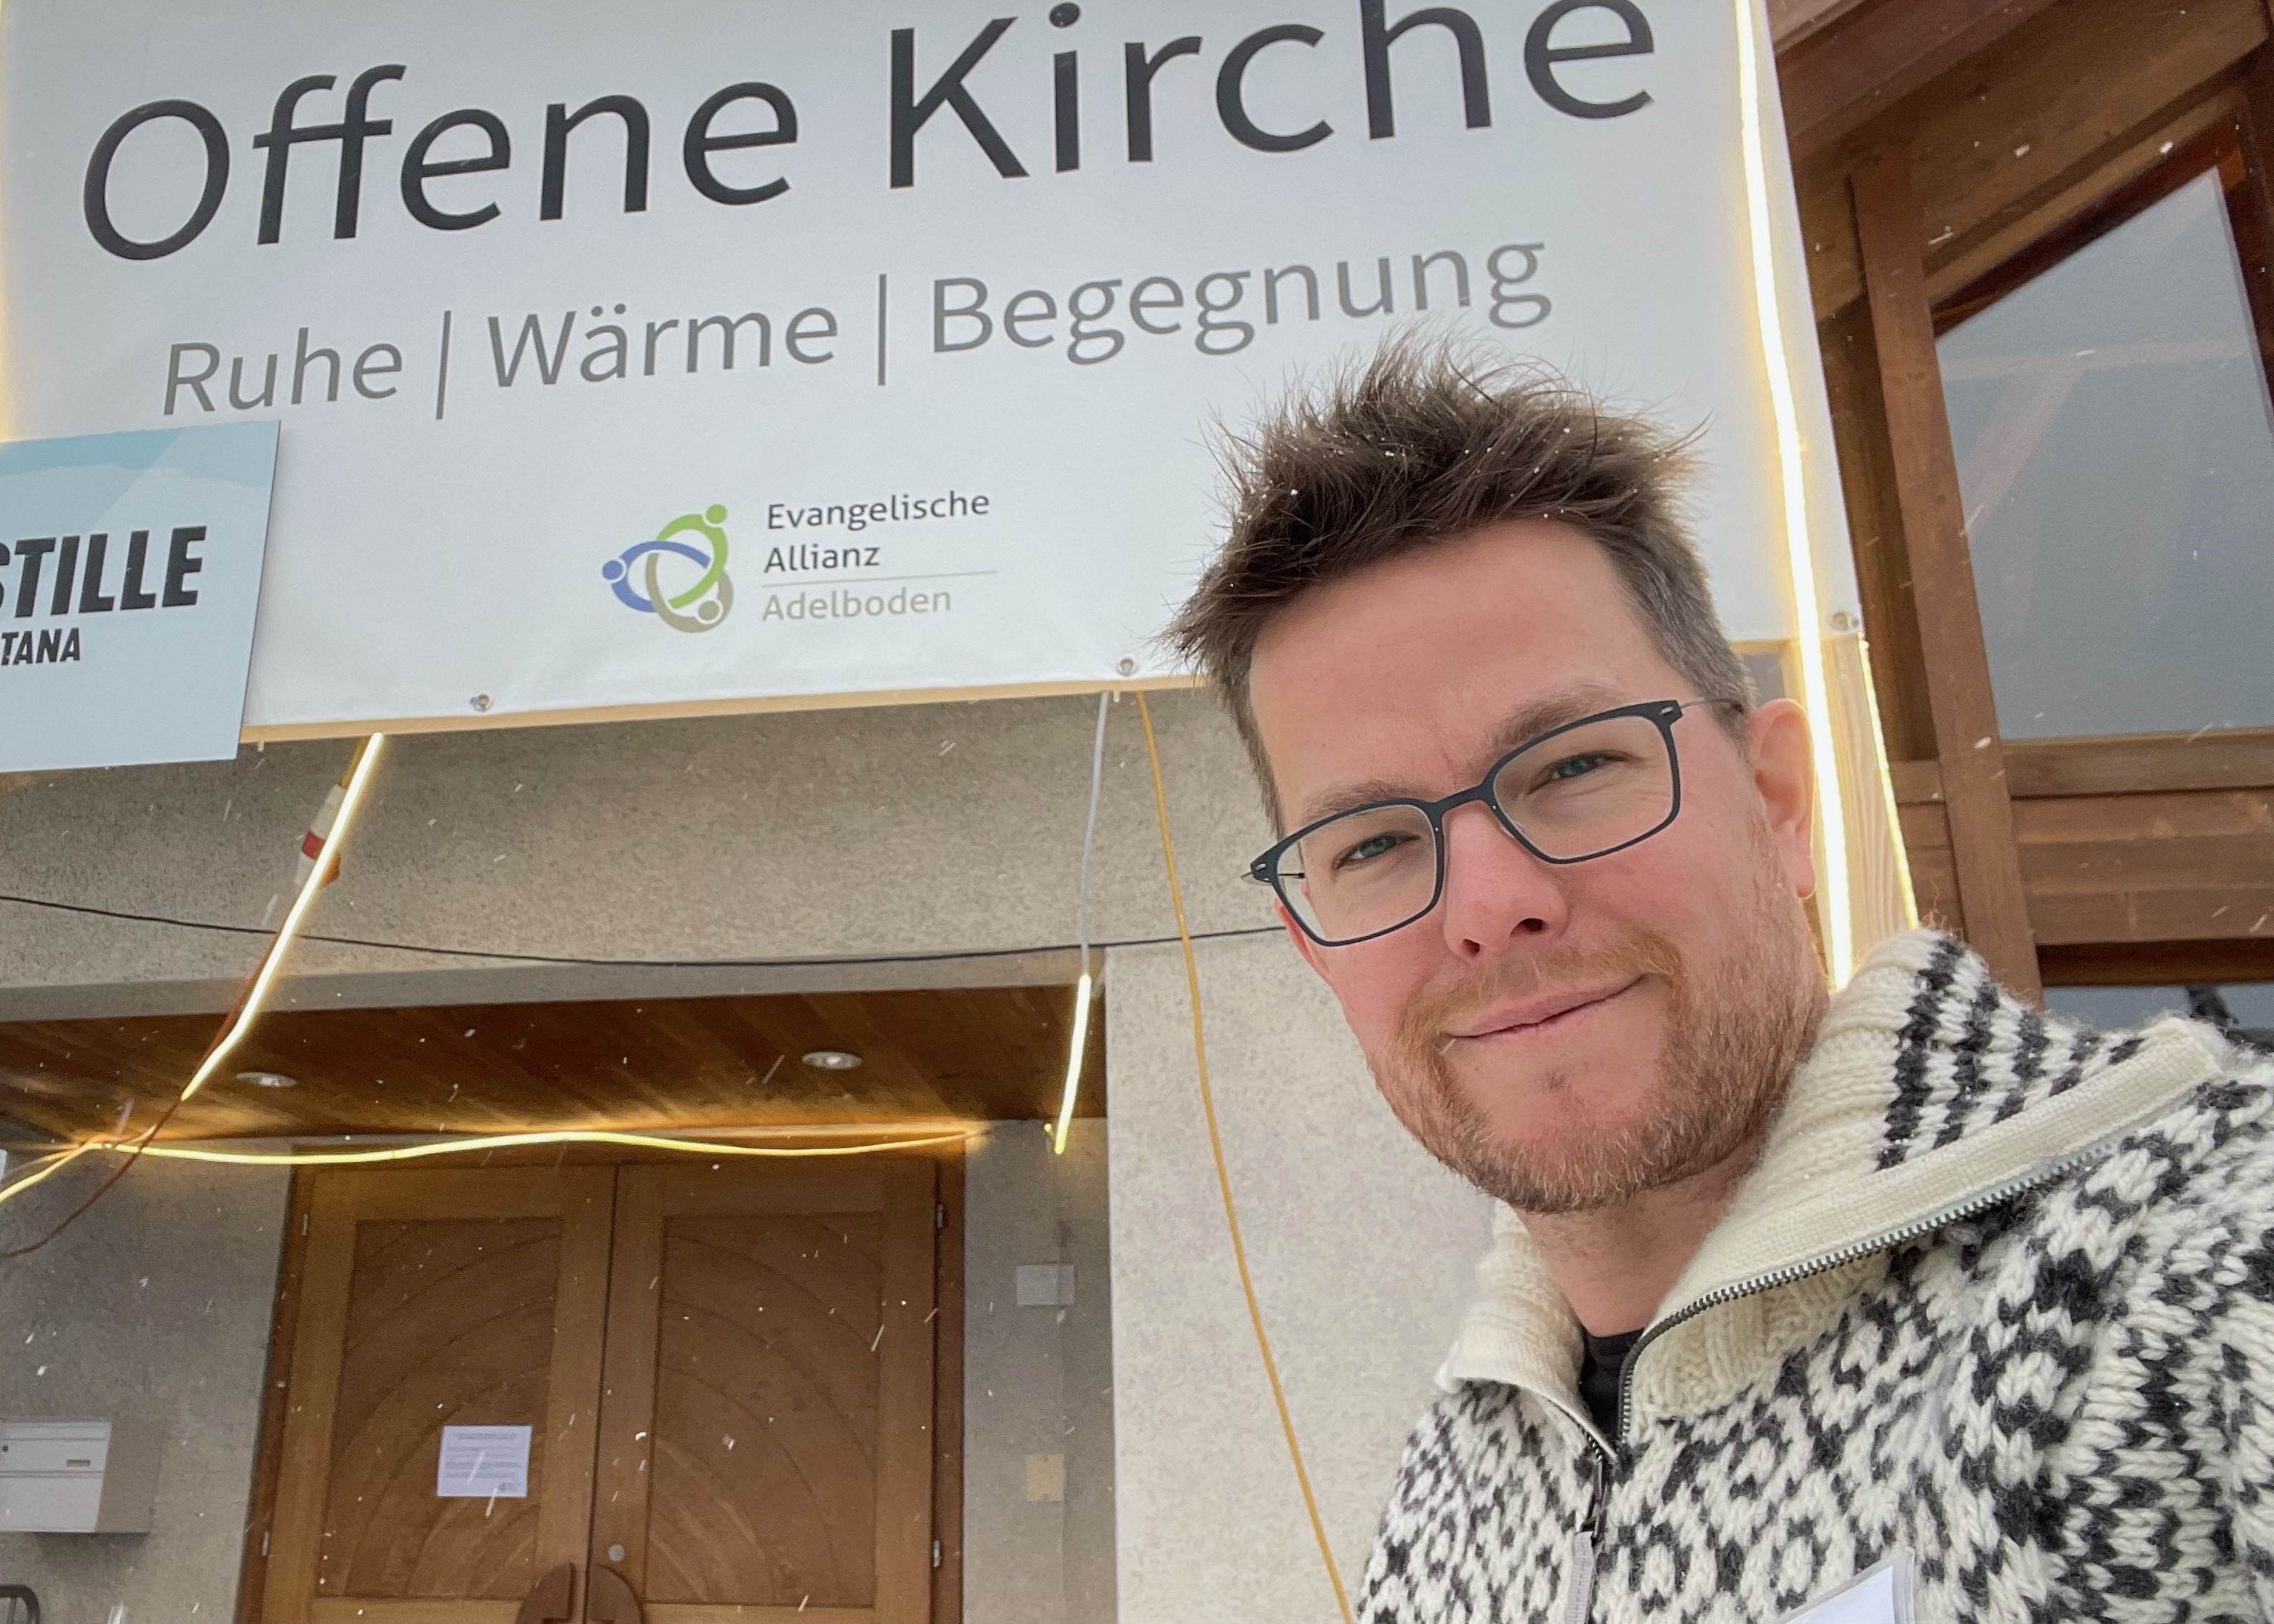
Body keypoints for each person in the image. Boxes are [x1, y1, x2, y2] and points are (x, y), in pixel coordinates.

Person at [1166, 339, 2274, 1623]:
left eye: (1574, 767)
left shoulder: (2197, 1249)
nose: (1486, 907)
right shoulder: (1453, 1481)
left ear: (1780, 800)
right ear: (1315, 946)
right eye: (1369, 845)